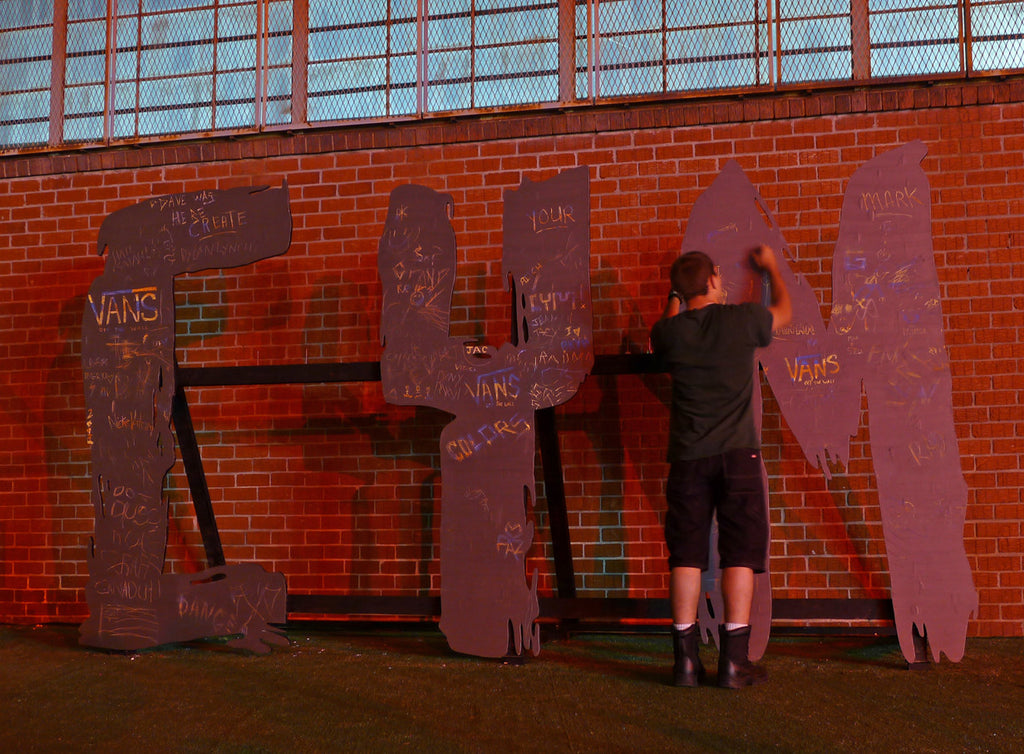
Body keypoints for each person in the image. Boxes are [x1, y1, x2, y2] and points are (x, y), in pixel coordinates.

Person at [650, 245, 792, 688]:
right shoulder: (742, 319)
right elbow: (784, 311)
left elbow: (667, 323)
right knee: (740, 556)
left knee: (687, 556)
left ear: (679, 289)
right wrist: (771, 268)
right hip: (738, 457)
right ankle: (734, 662)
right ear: (714, 279)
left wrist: (676, 293)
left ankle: (685, 664)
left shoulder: (669, 334)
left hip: (689, 459)